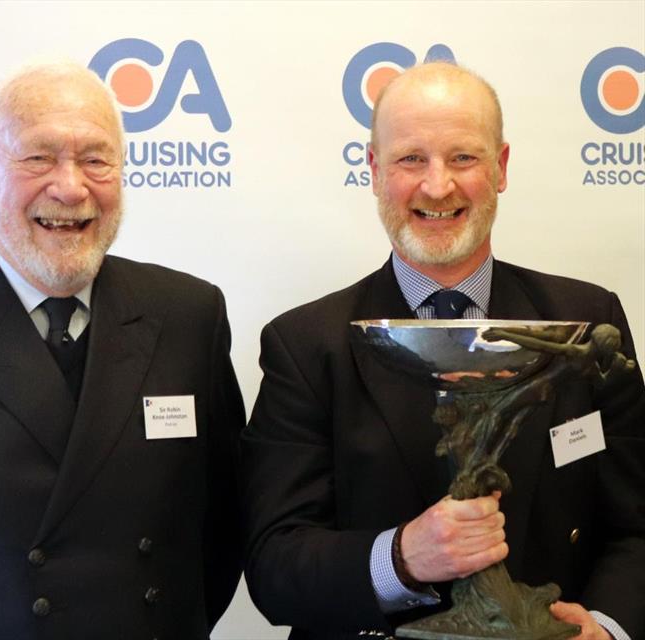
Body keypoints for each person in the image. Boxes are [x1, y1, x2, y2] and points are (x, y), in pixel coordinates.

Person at [241, 62, 644, 639]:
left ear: (500, 168)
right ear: (375, 171)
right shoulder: (306, 345)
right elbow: (275, 565)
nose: (437, 185)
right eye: (410, 159)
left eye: (463, 157)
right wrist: (402, 557)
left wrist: (607, 627)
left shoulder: (586, 322)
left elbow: (636, 523)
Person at [0, 61, 245, 639]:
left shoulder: (188, 314)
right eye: (39, 157)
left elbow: (224, 527)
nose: (71, 186)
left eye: (96, 159)